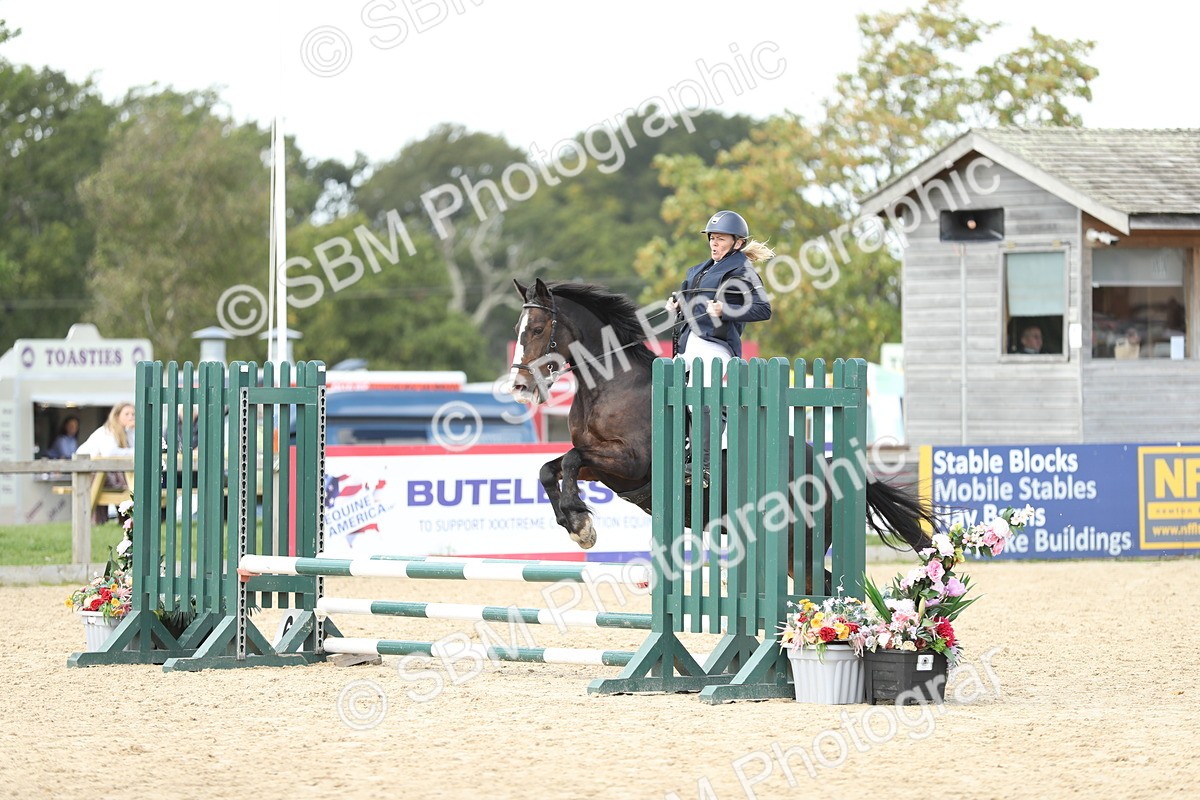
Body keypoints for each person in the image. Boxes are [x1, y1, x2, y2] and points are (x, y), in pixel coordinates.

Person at [665, 209, 774, 487]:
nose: (714, 244)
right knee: (665, 391)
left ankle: (705, 465)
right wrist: (677, 306)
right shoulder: (698, 270)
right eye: (712, 238)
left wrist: (726, 309)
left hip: (717, 345)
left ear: (737, 242)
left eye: (721, 239)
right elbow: (691, 307)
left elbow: (764, 309)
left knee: (701, 396)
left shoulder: (743, 271)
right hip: (689, 341)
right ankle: (682, 452)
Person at [76, 402, 136, 524]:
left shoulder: (127, 432)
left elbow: (132, 449)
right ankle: (99, 521)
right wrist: (135, 451)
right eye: (127, 414)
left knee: (124, 482)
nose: (131, 417)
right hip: (87, 469)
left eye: (133, 414)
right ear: (117, 416)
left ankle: (126, 520)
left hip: (104, 470)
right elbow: (110, 453)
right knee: (120, 482)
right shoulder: (108, 431)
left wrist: (133, 431)